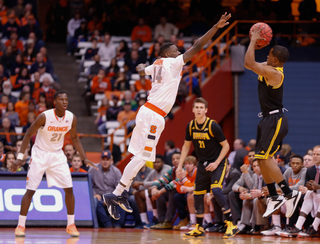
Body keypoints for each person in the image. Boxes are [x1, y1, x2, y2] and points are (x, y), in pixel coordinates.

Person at [102, 12, 231, 221]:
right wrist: (216, 27)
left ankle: (118, 193)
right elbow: (198, 46)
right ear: (168, 55)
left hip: (148, 112)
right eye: (175, 50)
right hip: (153, 115)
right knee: (143, 157)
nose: (179, 51)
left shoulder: (156, 65)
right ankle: (116, 194)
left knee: (139, 157)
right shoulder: (172, 63)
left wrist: (142, 68)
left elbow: (143, 70)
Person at [10, 91, 97, 238]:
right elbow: (28, 134)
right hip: (40, 154)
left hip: (57, 155)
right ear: (54, 102)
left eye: (66, 99)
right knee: (30, 190)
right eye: (61, 99)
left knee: (69, 188)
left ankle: (71, 224)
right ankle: (20, 225)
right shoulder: (44, 116)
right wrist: (20, 157)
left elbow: (74, 138)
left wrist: (84, 157)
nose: (64, 102)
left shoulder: (71, 118)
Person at [244, 29, 301, 219]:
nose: (266, 55)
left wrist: (253, 40)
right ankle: (275, 196)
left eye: (269, 54)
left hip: (275, 119)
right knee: (260, 158)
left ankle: (289, 194)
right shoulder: (269, 68)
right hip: (267, 119)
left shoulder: (274, 73)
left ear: (275, 59)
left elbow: (248, 63)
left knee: (266, 158)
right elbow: (251, 65)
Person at [175, 97, 236, 238]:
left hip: (218, 163)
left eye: (201, 108)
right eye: (196, 107)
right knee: (197, 194)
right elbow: (186, 146)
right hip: (202, 163)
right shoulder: (191, 126)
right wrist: (180, 166)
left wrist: (216, 163)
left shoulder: (213, 126)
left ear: (206, 110)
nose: (198, 110)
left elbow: (226, 146)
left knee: (216, 189)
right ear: (193, 109)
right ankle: (199, 227)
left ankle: (231, 223)